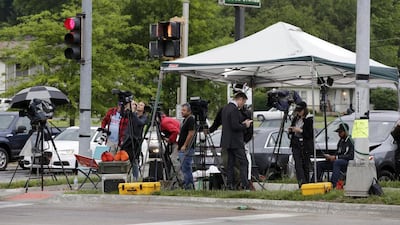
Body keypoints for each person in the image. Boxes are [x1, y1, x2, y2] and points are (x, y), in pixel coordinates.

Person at [221, 92, 252, 190]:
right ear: (240, 99)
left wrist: (240, 123)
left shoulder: (225, 108)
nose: (242, 105)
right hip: (236, 141)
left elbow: (230, 124)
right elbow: (235, 126)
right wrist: (245, 125)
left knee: (230, 163)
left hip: (227, 141)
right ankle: (245, 184)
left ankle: (229, 184)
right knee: (244, 163)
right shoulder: (234, 109)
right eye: (243, 102)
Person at [315, 123, 354, 188]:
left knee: (337, 162)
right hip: (338, 160)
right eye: (338, 132)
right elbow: (338, 152)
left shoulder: (351, 142)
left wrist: (336, 157)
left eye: (340, 132)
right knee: (319, 164)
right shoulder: (340, 141)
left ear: (345, 131)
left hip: (347, 162)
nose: (339, 134)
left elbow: (350, 156)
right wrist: (330, 157)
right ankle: (315, 182)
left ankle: (333, 184)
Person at [289, 101, 314, 188]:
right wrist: (291, 130)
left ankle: (306, 183)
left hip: (305, 144)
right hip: (296, 143)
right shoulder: (296, 118)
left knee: (305, 165)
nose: (298, 113)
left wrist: (300, 130)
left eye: (300, 111)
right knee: (298, 164)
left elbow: (309, 134)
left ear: (304, 110)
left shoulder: (309, 120)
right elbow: (293, 127)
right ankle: (301, 183)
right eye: (297, 111)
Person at [121, 101, 148, 181]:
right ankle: (125, 178)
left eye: (141, 105)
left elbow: (139, 122)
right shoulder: (133, 114)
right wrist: (125, 105)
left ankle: (135, 178)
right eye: (138, 104)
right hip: (128, 139)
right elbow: (123, 115)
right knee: (124, 158)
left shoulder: (144, 117)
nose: (139, 106)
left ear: (144, 108)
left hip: (136, 141)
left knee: (134, 160)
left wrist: (132, 113)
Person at [177, 103, 196, 190]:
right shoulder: (185, 120)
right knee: (184, 167)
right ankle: (187, 184)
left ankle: (189, 185)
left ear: (189, 111)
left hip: (187, 148)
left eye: (184, 110)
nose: (182, 112)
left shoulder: (191, 119)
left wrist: (185, 145)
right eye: (182, 110)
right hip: (182, 147)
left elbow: (191, 133)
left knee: (186, 167)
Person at [159, 112, 181, 182]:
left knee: (173, 160)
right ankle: (171, 177)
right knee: (167, 158)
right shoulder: (166, 120)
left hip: (176, 142)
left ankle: (177, 179)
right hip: (175, 141)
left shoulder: (164, 122)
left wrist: (170, 139)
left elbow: (175, 131)